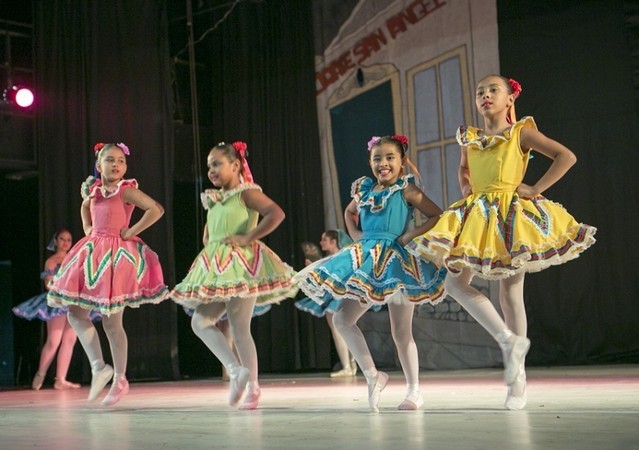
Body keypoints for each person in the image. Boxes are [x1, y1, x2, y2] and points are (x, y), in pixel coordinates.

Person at [407, 76, 597, 410]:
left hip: (510, 214)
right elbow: (465, 169)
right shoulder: (470, 137)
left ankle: (517, 380)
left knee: (510, 294)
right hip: (476, 214)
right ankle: (508, 340)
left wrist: (535, 189)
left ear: (510, 98)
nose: (485, 96)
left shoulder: (520, 131)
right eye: (480, 92)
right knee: (454, 282)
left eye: (493, 90)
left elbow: (565, 156)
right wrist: (465, 185)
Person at [295, 135, 447, 412]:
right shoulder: (363, 189)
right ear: (370, 162)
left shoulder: (407, 190)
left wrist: (410, 234)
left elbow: (437, 215)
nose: (383, 163)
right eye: (377, 158)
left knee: (401, 331)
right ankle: (372, 375)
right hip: (365, 259)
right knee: (342, 318)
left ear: (401, 161)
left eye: (390, 157)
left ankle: (414, 391)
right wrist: (356, 237)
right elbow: (350, 211)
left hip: (397, 262)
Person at [170, 141, 298, 410]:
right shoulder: (214, 198)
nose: (211, 170)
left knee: (240, 329)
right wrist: (209, 243)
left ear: (236, 165)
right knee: (200, 323)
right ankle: (235, 369)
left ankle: (253, 387)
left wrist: (249, 236)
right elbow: (210, 233)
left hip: (241, 265)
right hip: (217, 266)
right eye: (209, 166)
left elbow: (276, 213)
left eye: (217, 164)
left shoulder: (246, 193)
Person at [47, 142, 169, 406]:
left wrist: (131, 230)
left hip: (116, 257)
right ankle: (99, 366)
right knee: (74, 312)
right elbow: (85, 206)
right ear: (99, 164)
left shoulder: (126, 190)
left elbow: (156, 209)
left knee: (112, 323)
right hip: (92, 253)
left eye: (121, 161)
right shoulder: (93, 190)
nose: (116, 165)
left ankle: (120, 378)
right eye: (110, 160)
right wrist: (87, 225)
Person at [13, 229, 87, 390]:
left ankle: (60, 379)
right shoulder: (52, 261)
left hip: (73, 301)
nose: (66, 242)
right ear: (56, 241)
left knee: (70, 339)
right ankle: (40, 374)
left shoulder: (74, 259)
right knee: (54, 340)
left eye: (68, 239)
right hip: (58, 301)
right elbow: (49, 284)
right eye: (62, 239)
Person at [296, 230, 370, 378]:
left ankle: (348, 366)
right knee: (344, 329)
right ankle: (351, 365)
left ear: (334, 241)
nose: (321, 243)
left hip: (336, 296)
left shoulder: (340, 257)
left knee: (338, 331)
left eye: (325, 240)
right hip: (339, 295)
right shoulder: (337, 257)